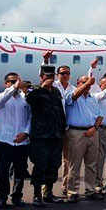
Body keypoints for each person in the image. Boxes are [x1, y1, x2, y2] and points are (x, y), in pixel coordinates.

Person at [26, 64, 67, 207]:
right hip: (41, 136)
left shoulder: (56, 92)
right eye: (47, 76)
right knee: (40, 165)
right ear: (41, 77)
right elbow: (29, 99)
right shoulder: (36, 91)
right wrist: (41, 87)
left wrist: (63, 129)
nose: (50, 79)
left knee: (54, 164)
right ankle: (37, 195)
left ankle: (48, 192)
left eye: (52, 76)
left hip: (56, 135)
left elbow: (60, 112)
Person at [0, 73, 31, 209]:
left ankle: (17, 196)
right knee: (3, 171)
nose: (16, 83)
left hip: (21, 141)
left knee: (20, 170)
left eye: (17, 81)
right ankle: (2, 196)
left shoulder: (24, 99)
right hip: (4, 140)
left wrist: (26, 133)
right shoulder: (0, 97)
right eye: (12, 81)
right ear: (6, 84)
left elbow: (30, 118)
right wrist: (13, 88)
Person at [64, 74, 104, 203]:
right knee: (74, 164)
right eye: (84, 82)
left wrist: (95, 128)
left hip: (92, 132)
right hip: (77, 132)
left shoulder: (92, 98)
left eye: (89, 83)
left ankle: (90, 190)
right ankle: (72, 191)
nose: (88, 85)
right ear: (78, 83)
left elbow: (99, 116)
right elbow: (74, 96)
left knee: (91, 164)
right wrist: (87, 84)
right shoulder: (71, 94)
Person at [42, 51, 76, 196]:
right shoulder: (51, 86)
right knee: (50, 159)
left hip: (67, 128)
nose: (65, 75)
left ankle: (65, 186)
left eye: (67, 73)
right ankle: (45, 190)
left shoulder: (74, 89)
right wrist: (46, 60)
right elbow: (43, 75)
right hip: (52, 128)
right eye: (62, 73)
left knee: (67, 160)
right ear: (57, 75)